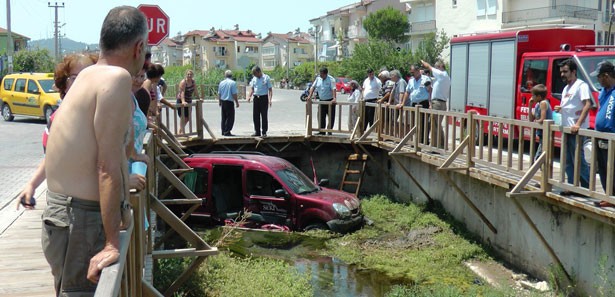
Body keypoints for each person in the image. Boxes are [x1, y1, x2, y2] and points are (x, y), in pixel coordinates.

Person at [42, 6, 148, 295]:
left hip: (63, 216)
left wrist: (122, 208)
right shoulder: (116, 79)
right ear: (139, 47)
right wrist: (113, 242)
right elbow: (107, 166)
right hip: (80, 220)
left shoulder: (89, 74)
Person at [16, 53, 98, 210]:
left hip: (91, 205)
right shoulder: (60, 117)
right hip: (73, 207)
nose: (82, 82)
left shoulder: (98, 114)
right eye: (75, 77)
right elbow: (52, 158)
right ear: (64, 84)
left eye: (88, 76)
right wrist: (32, 185)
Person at [555, 58, 591, 193]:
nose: (562, 74)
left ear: (573, 71)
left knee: (578, 159)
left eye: (565, 71)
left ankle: (585, 188)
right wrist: (561, 108)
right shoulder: (566, 88)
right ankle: (571, 186)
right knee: (568, 159)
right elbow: (570, 105)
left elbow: (587, 104)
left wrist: (578, 124)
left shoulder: (581, 86)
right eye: (561, 72)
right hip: (566, 128)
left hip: (576, 129)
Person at [592, 61, 615, 207]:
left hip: (612, 136)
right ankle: (608, 195)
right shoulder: (604, 91)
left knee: (612, 167)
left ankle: (612, 197)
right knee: (603, 167)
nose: (597, 80)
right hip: (601, 135)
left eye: (599, 77)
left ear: (606, 76)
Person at [422, 59, 450, 148]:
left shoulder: (442, 74)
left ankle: (435, 145)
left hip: (437, 102)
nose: (436, 69)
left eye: (437, 67)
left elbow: (429, 67)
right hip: (441, 102)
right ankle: (441, 144)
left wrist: (424, 63)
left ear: (441, 67)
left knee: (434, 124)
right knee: (437, 124)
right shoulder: (445, 77)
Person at [401, 64, 432, 143]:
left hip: (423, 103)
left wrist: (430, 103)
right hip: (414, 103)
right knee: (414, 122)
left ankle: (424, 141)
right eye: (411, 73)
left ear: (418, 71)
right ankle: (416, 140)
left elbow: (430, 91)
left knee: (424, 123)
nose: (412, 74)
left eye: (413, 72)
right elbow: (407, 92)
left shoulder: (425, 79)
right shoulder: (411, 80)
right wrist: (403, 103)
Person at [308, 67, 336, 135]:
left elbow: (333, 89)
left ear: (326, 74)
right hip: (321, 101)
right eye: (320, 74)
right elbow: (313, 87)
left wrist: (334, 98)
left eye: (322, 74)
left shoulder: (331, 79)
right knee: (320, 116)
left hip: (329, 101)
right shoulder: (318, 79)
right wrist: (310, 96)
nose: (320, 75)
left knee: (331, 117)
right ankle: (322, 131)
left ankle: (329, 131)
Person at [527, 84, 552, 162]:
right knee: (541, 153)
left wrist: (536, 122)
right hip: (541, 133)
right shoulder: (538, 104)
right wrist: (530, 106)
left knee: (539, 156)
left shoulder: (543, 103)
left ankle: (542, 171)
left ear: (539, 97)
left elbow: (542, 119)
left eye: (533, 95)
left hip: (546, 133)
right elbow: (531, 119)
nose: (532, 97)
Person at [247, 66, 273, 137]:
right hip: (256, 98)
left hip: (263, 98)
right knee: (255, 115)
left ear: (259, 72)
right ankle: (257, 131)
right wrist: (249, 96)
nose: (255, 75)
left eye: (255, 73)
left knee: (264, 115)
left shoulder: (266, 78)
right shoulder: (254, 79)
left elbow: (270, 89)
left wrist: (270, 100)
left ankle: (264, 132)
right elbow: (252, 88)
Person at [217, 70, 239, 136]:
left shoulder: (221, 83)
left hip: (223, 101)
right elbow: (234, 94)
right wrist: (237, 102)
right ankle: (227, 131)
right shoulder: (233, 83)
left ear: (225, 75)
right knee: (230, 117)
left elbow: (219, 93)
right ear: (231, 75)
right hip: (229, 102)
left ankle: (223, 131)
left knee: (224, 117)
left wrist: (219, 102)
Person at [177, 69, 197, 134]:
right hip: (181, 100)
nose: (189, 76)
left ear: (192, 75)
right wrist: (183, 101)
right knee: (182, 117)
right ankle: (181, 132)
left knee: (188, 118)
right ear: (186, 75)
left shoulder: (193, 82)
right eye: (188, 74)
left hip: (189, 100)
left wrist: (199, 98)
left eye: (190, 74)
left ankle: (180, 131)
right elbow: (182, 92)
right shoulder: (183, 82)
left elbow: (195, 90)